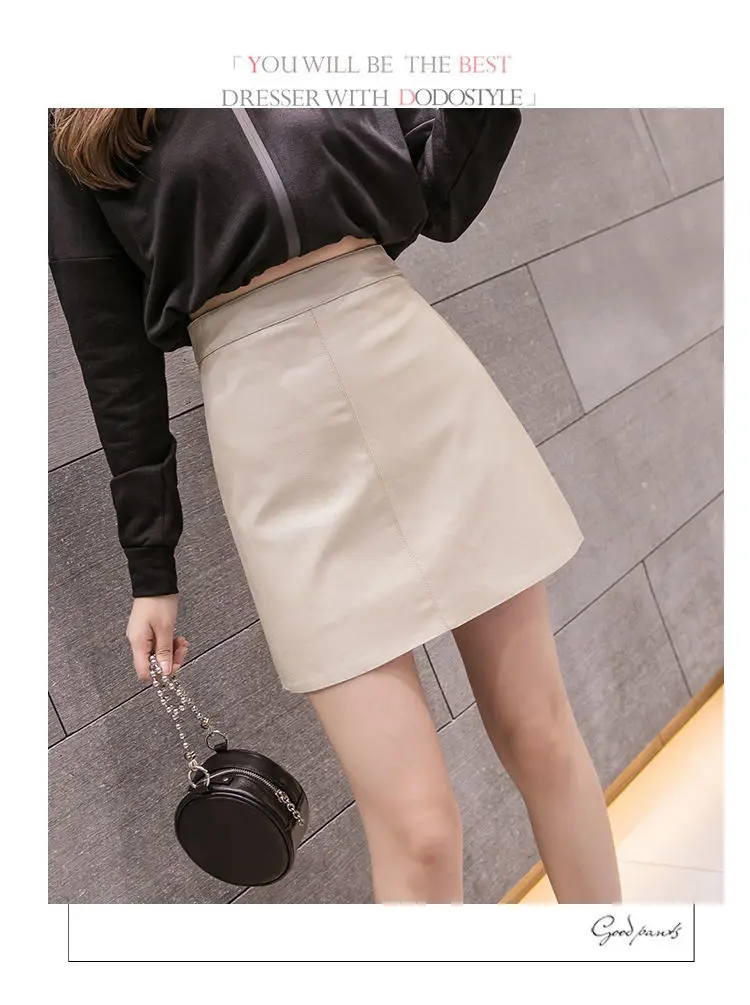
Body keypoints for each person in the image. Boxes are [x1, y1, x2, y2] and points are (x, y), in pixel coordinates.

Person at [48, 107, 622, 905]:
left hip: (409, 367)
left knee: (542, 735)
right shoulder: (75, 107)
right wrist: (151, 566)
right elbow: (113, 356)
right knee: (419, 828)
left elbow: (441, 194)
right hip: (271, 433)